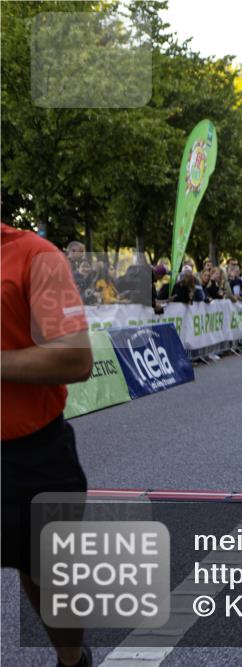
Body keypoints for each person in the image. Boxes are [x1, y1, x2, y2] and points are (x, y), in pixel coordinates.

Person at [2, 223, 94, 667]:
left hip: (30, 454)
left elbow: (76, 357)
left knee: (47, 577)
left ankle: (72, 660)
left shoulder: (35, 256)